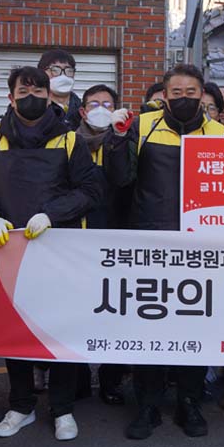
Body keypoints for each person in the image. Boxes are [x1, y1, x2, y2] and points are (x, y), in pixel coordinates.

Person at [0, 66, 103, 443]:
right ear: (10, 98)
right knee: (15, 330)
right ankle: (21, 406)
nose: (32, 98)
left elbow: (90, 191)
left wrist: (52, 214)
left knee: (60, 330)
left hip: (59, 252)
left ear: (49, 95)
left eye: (39, 91)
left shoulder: (70, 140)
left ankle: (63, 408)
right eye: (24, 92)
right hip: (8, 253)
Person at [104, 63, 224, 440]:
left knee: (194, 326)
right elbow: (120, 178)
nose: (184, 98)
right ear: (165, 96)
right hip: (150, 243)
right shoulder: (142, 126)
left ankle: (190, 403)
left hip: (202, 247)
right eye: (176, 93)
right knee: (150, 328)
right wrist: (116, 138)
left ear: (202, 95)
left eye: (191, 93)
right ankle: (148, 406)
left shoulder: (221, 133)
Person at [74, 82, 128, 406]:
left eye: (107, 104)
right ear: (82, 111)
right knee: (78, 311)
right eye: (94, 104)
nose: (100, 110)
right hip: (77, 240)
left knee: (114, 313)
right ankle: (78, 377)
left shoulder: (123, 139)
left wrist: (120, 139)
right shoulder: (69, 142)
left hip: (116, 235)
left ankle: (111, 379)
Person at [39, 49, 83, 130]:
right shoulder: (35, 109)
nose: (63, 75)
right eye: (55, 70)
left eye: (68, 70)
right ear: (42, 73)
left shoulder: (82, 111)